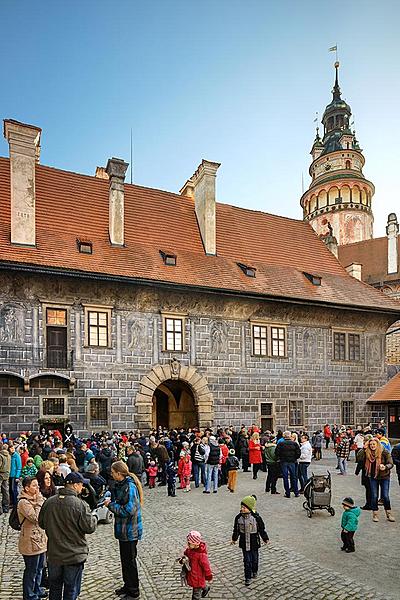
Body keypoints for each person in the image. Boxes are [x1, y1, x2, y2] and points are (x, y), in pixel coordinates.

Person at [38, 471, 98, 600]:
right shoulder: (80, 505)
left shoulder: (49, 502)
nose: (82, 487)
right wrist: (94, 517)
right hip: (73, 555)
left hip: (54, 554)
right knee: (71, 589)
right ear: (75, 485)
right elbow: (90, 527)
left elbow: (41, 523)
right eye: (81, 484)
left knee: (55, 588)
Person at [104, 460, 143, 600]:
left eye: (113, 473)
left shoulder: (130, 486)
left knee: (130, 562)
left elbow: (129, 509)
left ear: (119, 473)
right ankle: (128, 585)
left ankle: (134, 591)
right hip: (123, 530)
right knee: (125, 560)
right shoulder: (121, 484)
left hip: (130, 531)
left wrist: (111, 506)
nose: (112, 475)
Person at [17, 476, 47, 600]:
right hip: (30, 540)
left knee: (40, 567)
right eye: (34, 486)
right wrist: (40, 502)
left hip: (40, 539)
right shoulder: (23, 502)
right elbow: (36, 518)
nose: (37, 488)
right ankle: (29, 594)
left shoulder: (37, 499)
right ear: (27, 488)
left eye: (37, 485)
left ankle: (37, 589)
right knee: (31, 570)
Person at [231, 495, 269, 586]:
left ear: (250, 508)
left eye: (244, 507)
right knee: (247, 561)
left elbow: (261, 529)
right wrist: (234, 539)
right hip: (244, 543)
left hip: (254, 542)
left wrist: (265, 538)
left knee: (254, 559)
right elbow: (236, 530)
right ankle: (247, 577)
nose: (242, 509)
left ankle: (254, 570)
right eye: (241, 507)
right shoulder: (238, 518)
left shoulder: (256, 518)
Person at [357, 438, 395, 522]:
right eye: (370, 444)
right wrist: (364, 448)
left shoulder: (384, 452)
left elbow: (391, 463)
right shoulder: (367, 452)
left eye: (374, 444)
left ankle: (388, 513)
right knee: (374, 496)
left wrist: (385, 467)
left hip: (384, 476)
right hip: (372, 477)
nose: (372, 446)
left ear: (377, 444)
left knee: (385, 496)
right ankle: (375, 514)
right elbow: (359, 458)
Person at [180, 530, 212, 599]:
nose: (187, 545)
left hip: (198, 577)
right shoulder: (189, 550)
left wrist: (209, 576)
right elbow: (186, 554)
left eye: (189, 543)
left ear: (196, 544)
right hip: (192, 575)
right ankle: (205, 588)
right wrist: (183, 559)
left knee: (196, 595)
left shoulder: (201, 555)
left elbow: (206, 566)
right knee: (200, 585)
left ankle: (203, 589)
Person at [275, 431, 301, 498]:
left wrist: (280, 458)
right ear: (290, 436)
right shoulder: (294, 444)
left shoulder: (281, 444)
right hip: (292, 461)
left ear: (284, 436)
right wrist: (294, 458)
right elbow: (298, 453)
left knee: (285, 477)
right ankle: (296, 492)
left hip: (284, 462)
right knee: (294, 477)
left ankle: (287, 493)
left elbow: (277, 453)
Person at [0, 442, 11, 513]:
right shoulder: (9, 455)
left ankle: (0, 509)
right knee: (6, 491)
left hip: (0, 474)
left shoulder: (0, 455)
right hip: (6, 474)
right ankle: (6, 507)